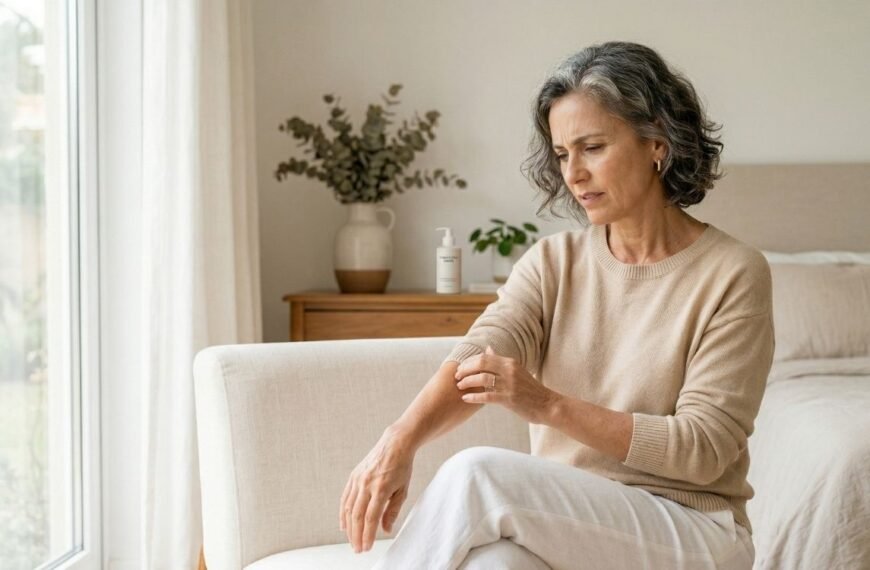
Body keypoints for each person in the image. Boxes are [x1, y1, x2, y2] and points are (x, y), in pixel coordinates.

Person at [340, 41, 774, 569]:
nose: (573, 174)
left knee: (477, 474)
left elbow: (703, 448)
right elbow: (479, 353)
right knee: (491, 565)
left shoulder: (733, 272)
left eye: (592, 147)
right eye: (564, 154)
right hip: (568, 522)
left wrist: (547, 405)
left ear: (657, 143)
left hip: (691, 529)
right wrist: (399, 441)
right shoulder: (554, 261)